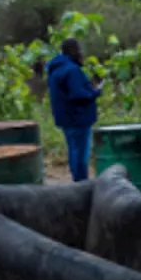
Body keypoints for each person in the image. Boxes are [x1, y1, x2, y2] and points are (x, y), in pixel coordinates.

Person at [46, 38, 104, 181]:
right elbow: (78, 95)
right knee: (81, 155)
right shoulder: (72, 70)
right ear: (72, 51)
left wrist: (87, 86)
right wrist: (96, 91)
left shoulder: (57, 69)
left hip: (66, 118)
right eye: (79, 49)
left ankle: (77, 181)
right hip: (78, 118)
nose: (81, 53)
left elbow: (68, 91)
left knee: (74, 151)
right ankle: (81, 183)